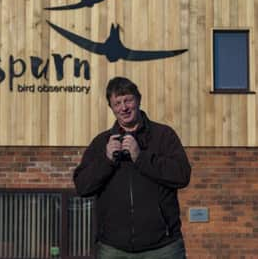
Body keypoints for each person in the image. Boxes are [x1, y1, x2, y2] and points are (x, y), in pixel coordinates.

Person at [73, 76, 191, 258]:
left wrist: (141, 157)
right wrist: (106, 160)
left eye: (128, 100)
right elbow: (82, 186)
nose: (124, 107)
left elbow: (182, 175)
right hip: (113, 249)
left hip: (163, 248)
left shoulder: (163, 136)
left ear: (138, 100)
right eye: (117, 103)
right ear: (111, 108)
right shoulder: (101, 143)